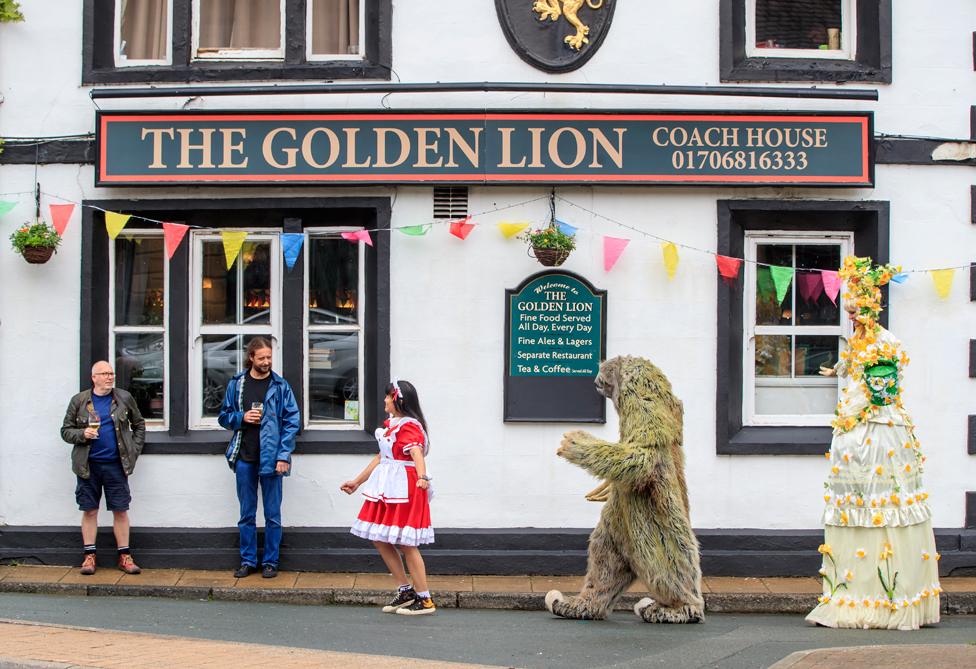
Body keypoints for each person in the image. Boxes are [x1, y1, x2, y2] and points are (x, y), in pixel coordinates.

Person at [806, 256, 940, 630]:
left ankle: (888, 601)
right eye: (849, 311)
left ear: (870, 309)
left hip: (879, 437)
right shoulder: (859, 342)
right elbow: (856, 369)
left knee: (883, 507)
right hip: (856, 436)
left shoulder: (885, 343)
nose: (851, 317)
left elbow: (881, 390)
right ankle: (851, 595)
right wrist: (840, 368)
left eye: (856, 311)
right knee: (857, 509)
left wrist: (851, 418)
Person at [341, 380, 436, 615]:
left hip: (404, 487)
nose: (384, 400)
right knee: (380, 538)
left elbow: (416, 451)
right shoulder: (392, 425)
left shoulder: (410, 426)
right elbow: (381, 457)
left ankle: (425, 599)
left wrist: (423, 476)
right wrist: (357, 481)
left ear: (398, 400)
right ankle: (405, 589)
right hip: (387, 487)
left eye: (388, 397)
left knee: (406, 543)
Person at [218, 337, 300, 579]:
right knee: (246, 513)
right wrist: (241, 417)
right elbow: (223, 416)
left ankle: (271, 562)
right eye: (261, 357)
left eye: (269, 357)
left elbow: (292, 422)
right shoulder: (237, 384)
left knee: (273, 514)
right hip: (244, 457)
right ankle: (247, 560)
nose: (266, 362)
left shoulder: (280, 386)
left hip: (273, 458)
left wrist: (284, 455)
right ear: (251, 357)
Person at [60, 361, 146, 575]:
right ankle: (89, 556)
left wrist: (133, 449)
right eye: (104, 373)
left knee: (120, 509)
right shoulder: (79, 401)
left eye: (111, 373)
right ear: (94, 377)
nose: (109, 377)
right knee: (89, 510)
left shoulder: (123, 398)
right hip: (88, 466)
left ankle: (124, 556)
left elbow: (139, 424)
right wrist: (83, 434)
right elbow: (65, 431)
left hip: (116, 465)